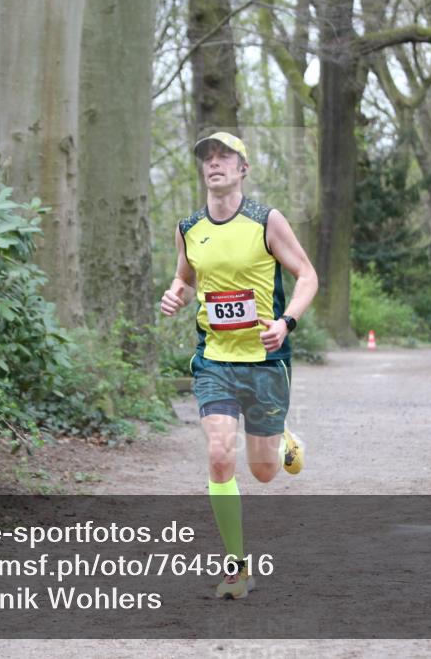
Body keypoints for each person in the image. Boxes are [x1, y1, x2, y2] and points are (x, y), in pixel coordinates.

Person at [160, 131, 318, 599]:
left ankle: (283, 435)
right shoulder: (189, 228)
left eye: (224, 156)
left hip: (266, 360)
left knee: (266, 471)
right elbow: (185, 279)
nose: (214, 163)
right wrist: (176, 294)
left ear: (242, 168)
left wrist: (287, 321)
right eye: (207, 157)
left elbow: (308, 275)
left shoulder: (266, 221)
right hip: (215, 360)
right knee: (218, 454)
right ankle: (236, 566)